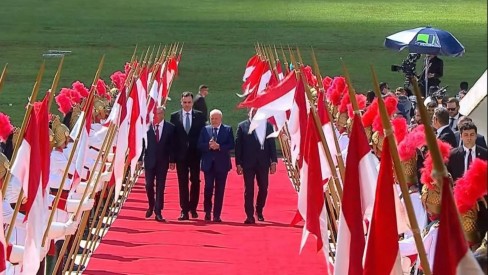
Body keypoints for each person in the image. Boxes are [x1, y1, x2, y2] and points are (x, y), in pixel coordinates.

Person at [235, 109, 277, 224]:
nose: (255, 113)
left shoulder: (268, 126)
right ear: (249, 111)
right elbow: (238, 146)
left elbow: (272, 144)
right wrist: (238, 163)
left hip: (263, 163)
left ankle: (259, 210)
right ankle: (249, 215)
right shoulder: (242, 126)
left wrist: (274, 161)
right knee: (249, 189)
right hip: (248, 163)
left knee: (263, 188)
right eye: (253, 111)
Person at [170, 92, 206, 220]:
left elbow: (203, 135)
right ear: (181, 102)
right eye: (184, 102)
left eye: (189, 102)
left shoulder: (200, 116)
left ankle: (193, 208)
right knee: (182, 183)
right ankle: (184, 210)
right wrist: (172, 159)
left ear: (192, 103)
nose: (187, 105)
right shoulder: (174, 117)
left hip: (195, 155)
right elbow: (173, 139)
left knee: (195, 181)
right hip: (181, 156)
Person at [197, 109, 235, 222]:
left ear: (220, 119)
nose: (214, 120)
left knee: (220, 190)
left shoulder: (227, 129)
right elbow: (199, 144)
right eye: (212, 118)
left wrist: (219, 147)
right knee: (208, 188)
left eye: (216, 118)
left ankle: (217, 215)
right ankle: (207, 212)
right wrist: (208, 146)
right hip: (208, 165)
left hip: (222, 165)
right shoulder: (205, 129)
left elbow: (231, 144)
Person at [141, 106, 176, 222]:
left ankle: (158, 211)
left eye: (159, 113)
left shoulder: (170, 128)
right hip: (149, 161)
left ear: (163, 114)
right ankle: (151, 205)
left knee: (160, 187)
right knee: (148, 185)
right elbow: (142, 144)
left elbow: (172, 146)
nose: (157, 115)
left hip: (163, 162)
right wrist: (140, 159)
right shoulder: (146, 127)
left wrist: (172, 160)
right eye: (155, 113)